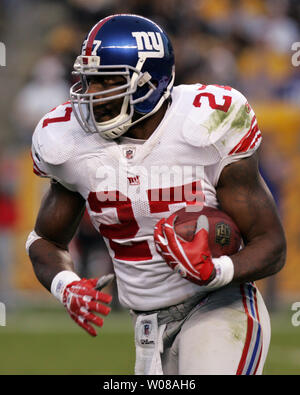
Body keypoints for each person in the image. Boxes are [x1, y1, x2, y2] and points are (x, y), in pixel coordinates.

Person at [26, 14, 286, 375]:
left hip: (221, 305)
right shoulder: (67, 141)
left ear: (151, 82)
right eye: (89, 81)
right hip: (147, 325)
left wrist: (216, 271)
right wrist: (66, 285)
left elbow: (271, 244)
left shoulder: (208, 123)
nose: (93, 96)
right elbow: (45, 239)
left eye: (107, 82)